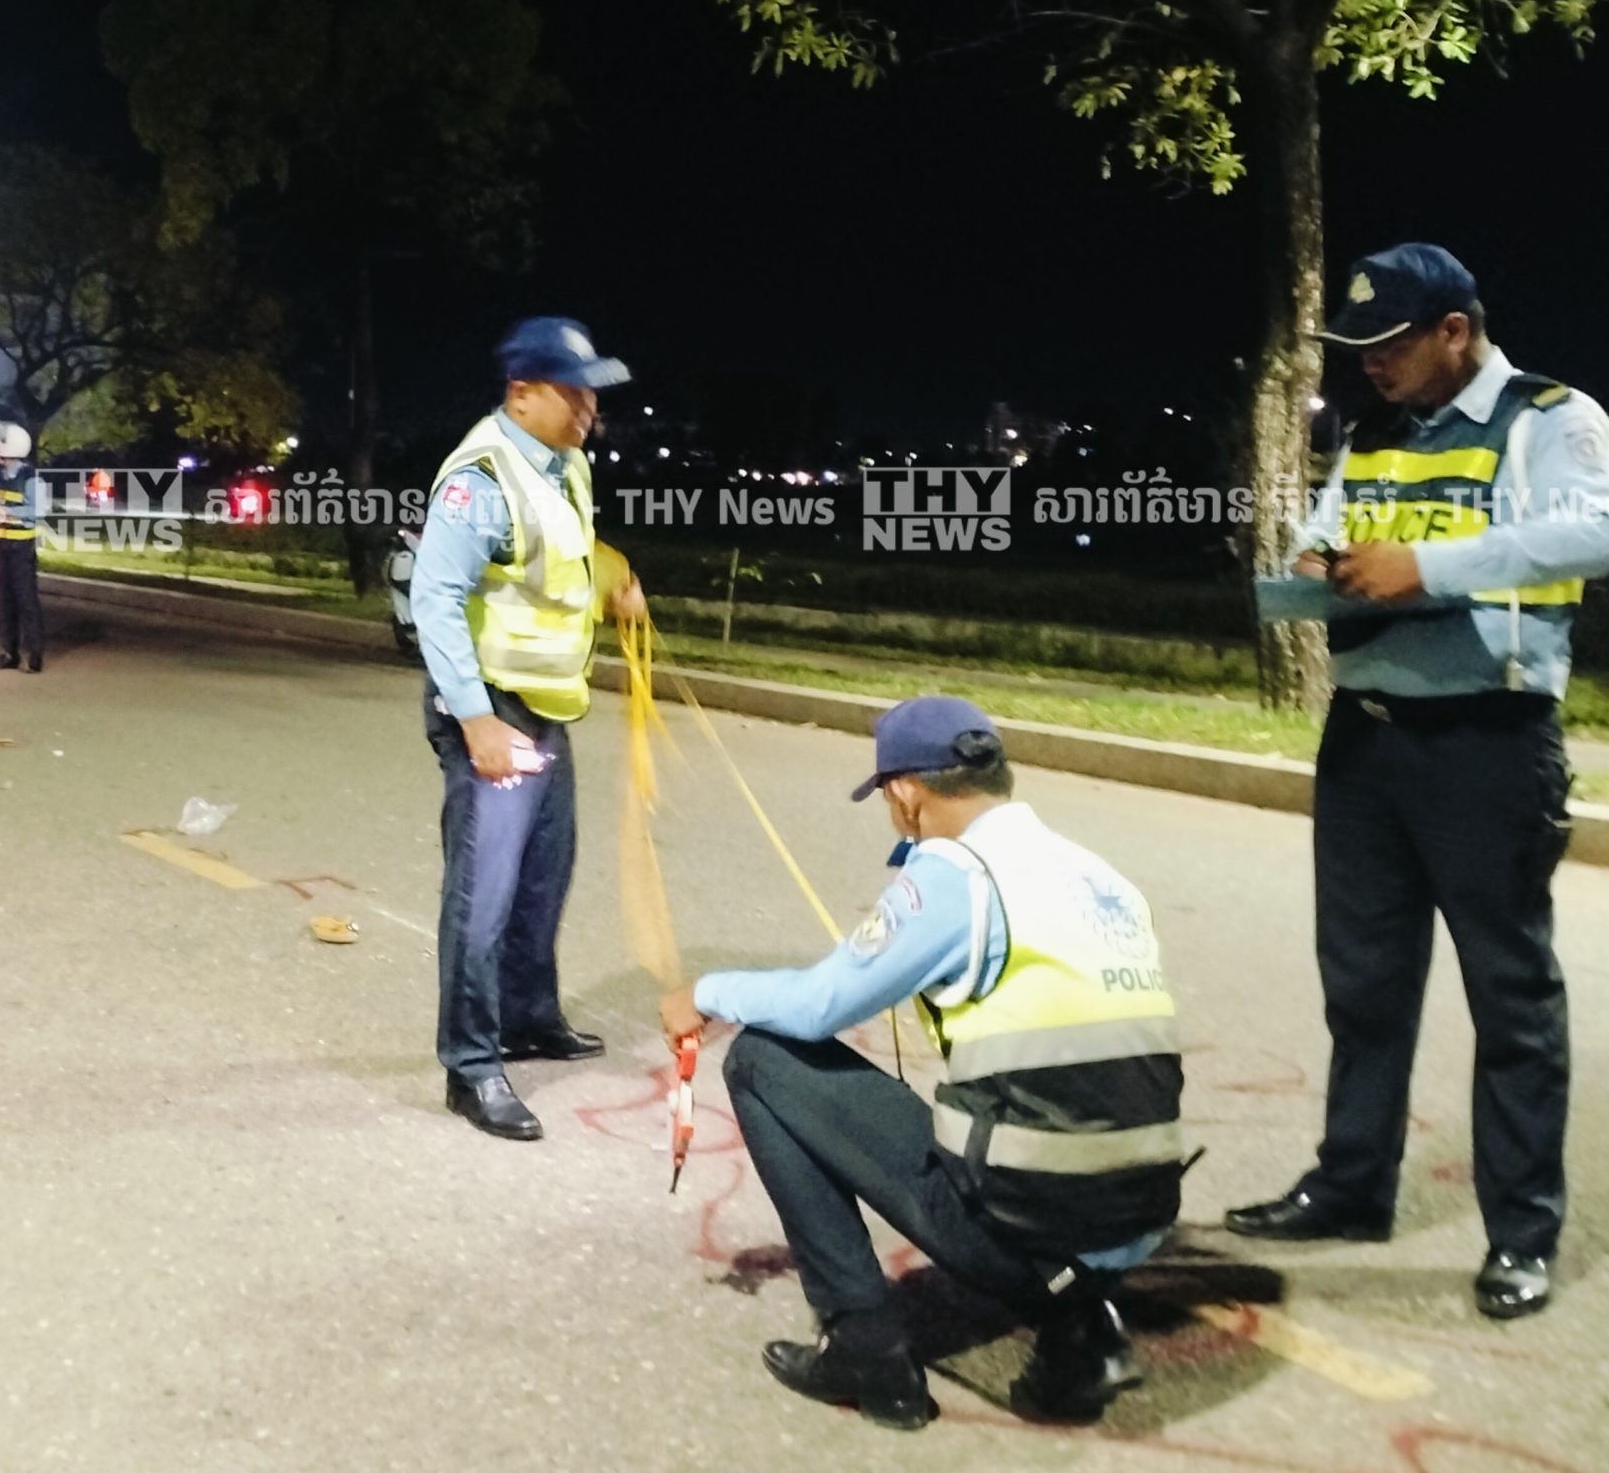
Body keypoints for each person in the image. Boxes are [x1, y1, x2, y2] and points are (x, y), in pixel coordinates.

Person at [1228, 244, 1609, 1321]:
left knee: (1510, 996)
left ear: (1455, 330)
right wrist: (1315, 567)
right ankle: (1351, 1185)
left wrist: (1427, 566)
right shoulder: (1374, 432)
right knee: (1362, 984)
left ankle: (1522, 1232)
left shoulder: (1548, 419)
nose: (1369, 363)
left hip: (1486, 741)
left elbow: (1600, 532)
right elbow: (1325, 533)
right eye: (1356, 347)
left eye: (1389, 344)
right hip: (1364, 741)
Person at [661, 697, 1184, 1431]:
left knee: (762, 1060)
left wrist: (706, 993)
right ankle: (1080, 1324)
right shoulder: (1098, 876)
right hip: (1137, 1221)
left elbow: (818, 1005)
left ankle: (864, 1346)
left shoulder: (957, 876)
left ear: (905, 791)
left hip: (1032, 1231)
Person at [413, 316, 647, 1141]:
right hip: (492, 710)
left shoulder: (566, 463)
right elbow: (436, 597)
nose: (589, 408)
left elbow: (566, 551)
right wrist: (474, 719)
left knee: (545, 875)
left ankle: (528, 1017)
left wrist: (613, 579)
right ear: (521, 393)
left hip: (546, 708)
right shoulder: (480, 478)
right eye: (573, 392)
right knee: (483, 897)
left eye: (592, 394)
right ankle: (472, 1065)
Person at [0, 420, 45, 672]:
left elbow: (38, 510)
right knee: (3, 601)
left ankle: (35, 655)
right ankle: (10, 652)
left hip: (20, 549)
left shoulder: (30, 479)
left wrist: (8, 512)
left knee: (26, 601)